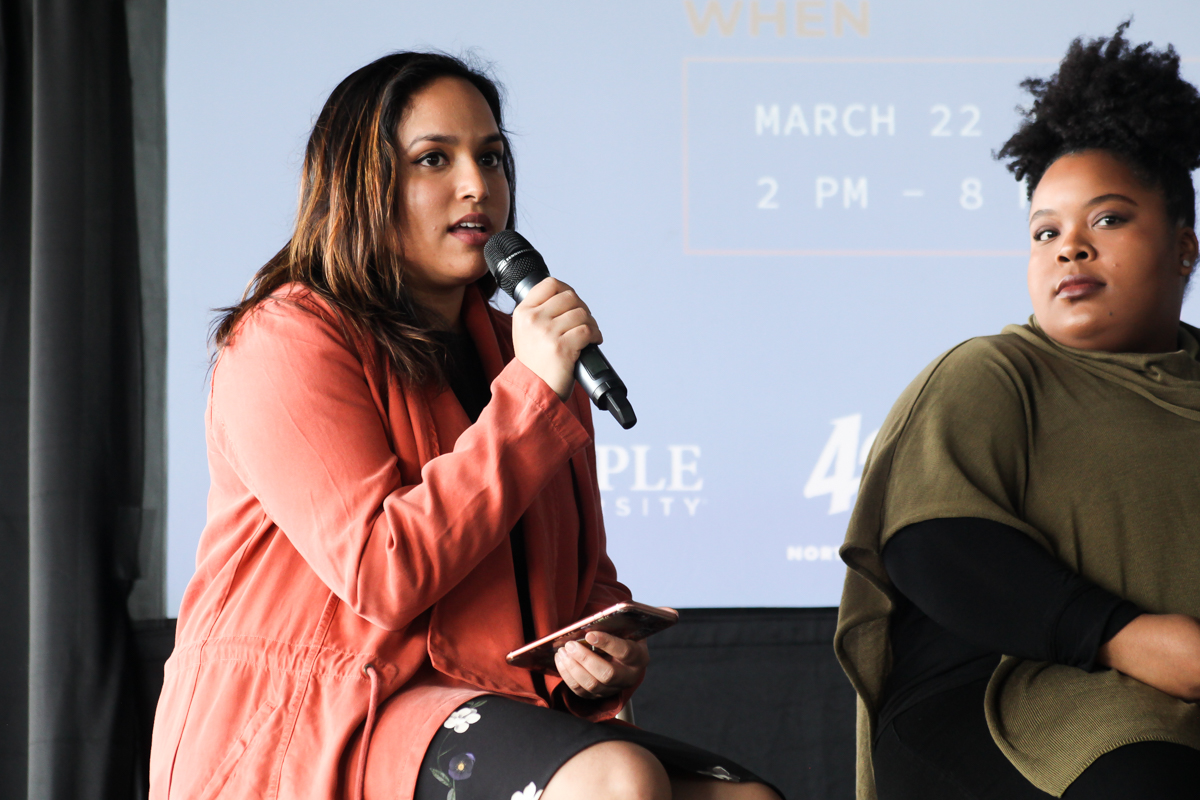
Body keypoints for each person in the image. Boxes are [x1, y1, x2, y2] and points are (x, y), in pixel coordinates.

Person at [148, 52, 780, 800]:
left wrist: (593, 656)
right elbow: (382, 572)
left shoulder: (528, 358)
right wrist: (531, 396)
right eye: (433, 160)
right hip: (322, 717)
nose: (477, 185)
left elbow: (575, 584)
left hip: (471, 702)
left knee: (740, 798)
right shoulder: (286, 341)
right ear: (362, 184)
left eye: (492, 157)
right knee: (616, 777)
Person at [835, 23, 1200, 800]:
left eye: (1107, 219)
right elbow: (933, 545)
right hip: (1006, 698)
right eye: (1046, 232)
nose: (1070, 249)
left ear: (1184, 248)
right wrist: (1126, 639)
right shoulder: (993, 373)